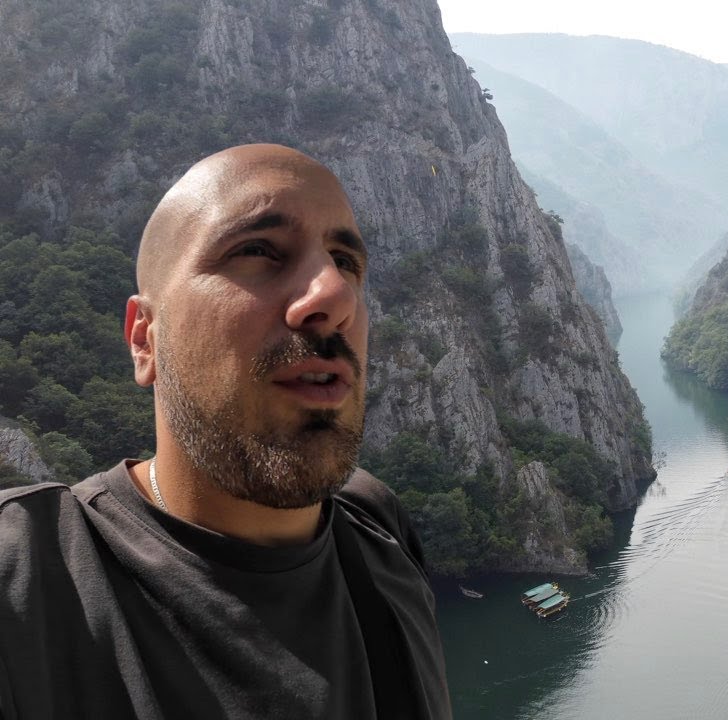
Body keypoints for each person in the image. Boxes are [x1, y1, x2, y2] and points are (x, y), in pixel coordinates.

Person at [0, 145, 453, 719]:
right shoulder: (27, 579)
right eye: (257, 250)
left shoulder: (377, 525)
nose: (334, 294)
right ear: (144, 339)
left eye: (345, 261)